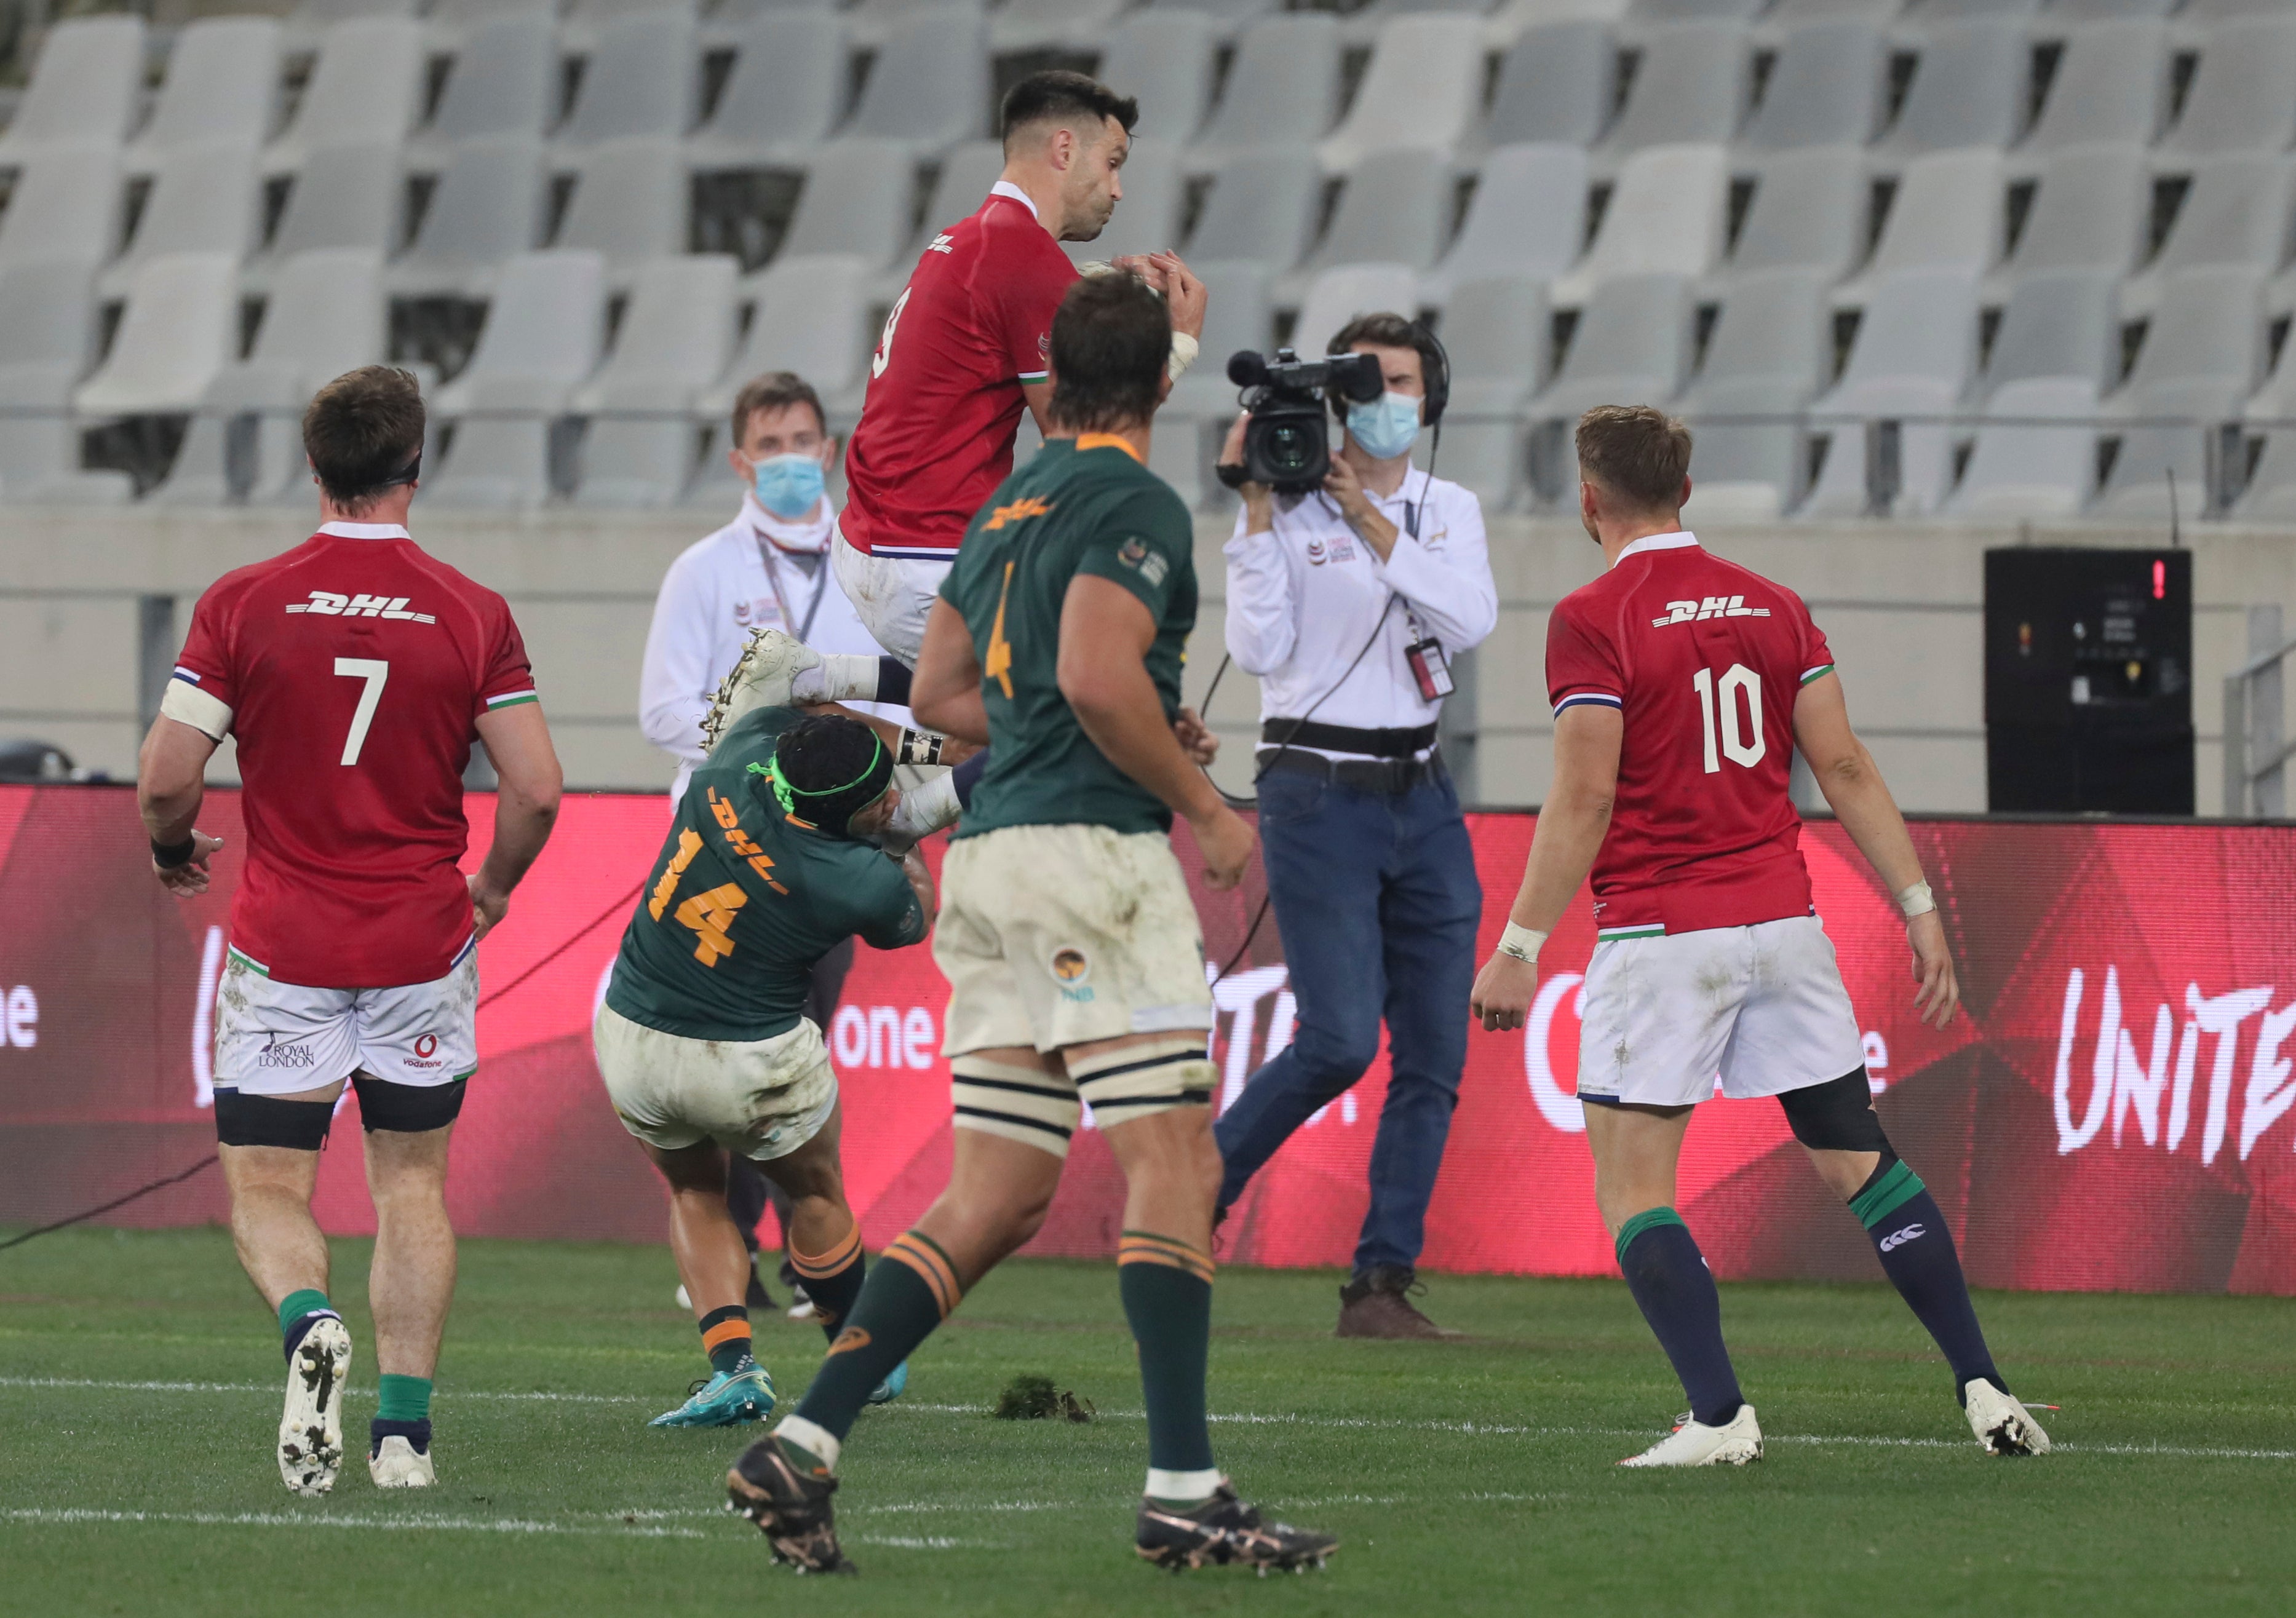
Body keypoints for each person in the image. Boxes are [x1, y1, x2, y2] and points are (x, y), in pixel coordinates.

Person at [721, 274, 1336, 1574]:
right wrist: (1205, 803)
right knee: (1179, 1165)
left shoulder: (1006, 508)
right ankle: (1182, 1485)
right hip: (1088, 858)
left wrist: (1099, 714)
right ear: (1162, 383)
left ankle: (806, 1439)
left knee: (997, 1192)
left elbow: (947, 693)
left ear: (1045, 386)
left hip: (992, 860)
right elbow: (1097, 673)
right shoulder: (1134, 501)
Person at [1468, 405, 2051, 1466]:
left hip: (1662, 935)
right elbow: (1844, 769)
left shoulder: (1590, 617)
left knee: (1633, 1186)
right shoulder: (1775, 604)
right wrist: (1919, 910)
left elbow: (1584, 791)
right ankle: (1980, 1384)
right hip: (1785, 925)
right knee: (1858, 1161)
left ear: (1588, 499)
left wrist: (1519, 940)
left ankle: (1718, 1416)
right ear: (1685, 492)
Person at [135, 365, 563, 1494]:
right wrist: (496, 886)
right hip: (420, 945)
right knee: (410, 1187)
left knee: (269, 1186)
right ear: (416, 470)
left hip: (287, 947)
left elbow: (166, 777)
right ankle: (404, 1441)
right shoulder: (472, 611)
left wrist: (173, 849)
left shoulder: (244, 601)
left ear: (314, 467)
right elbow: (537, 789)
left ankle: (308, 1321)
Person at [729, 69, 1209, 847]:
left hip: (881, 539)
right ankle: (904, 822)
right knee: (1088, 718)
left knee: (992, 707)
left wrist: (1087, 306)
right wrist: (1177, 342)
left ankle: (821, 678)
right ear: (1064, 148)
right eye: (1113, 162)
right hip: (927, 559)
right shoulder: (1022, 261)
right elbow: (1083, 446)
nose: (1118, 191)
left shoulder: (971, 236)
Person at [1209, 313, 1496, 1338]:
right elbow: (1254, 647)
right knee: (1335, 1040)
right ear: (1332, 398)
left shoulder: (1447, 507)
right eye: (1369, 383)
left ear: (1434, 394)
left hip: (1419, 789)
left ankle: (1380, 1282)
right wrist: (1252, 513)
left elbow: (1470, 620)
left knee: (1431, 1052)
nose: (1387, 400)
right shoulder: (1284, 509)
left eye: (1405, 381)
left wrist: (1373, 525)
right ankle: (1199, 1190)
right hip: (1314, 785)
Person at [638, 370, 916, 1311]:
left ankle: (810, 1252)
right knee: (728, 1040)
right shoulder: (703, 569)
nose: (790, 459)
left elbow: (891, 693)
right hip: (725, 839)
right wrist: (777, 743)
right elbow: (662, 707)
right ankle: (735, 1257)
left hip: (834, 839)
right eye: (770, 443)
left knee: (802, 1043)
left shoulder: (868, 559)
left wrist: (859, 758)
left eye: (804, 440)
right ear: (738, 458)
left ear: (831, 449)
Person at [595, 704, 936, 1427]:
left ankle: (733, 1369)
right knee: (814, 1194)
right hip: (750, 1056)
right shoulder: (856, 878)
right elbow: (914, 917)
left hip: (634, 1033)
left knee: (693, 1191)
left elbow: (806, 706)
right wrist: (909, 828)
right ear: (858, 812)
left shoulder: (733, 755)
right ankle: (858, 1348)